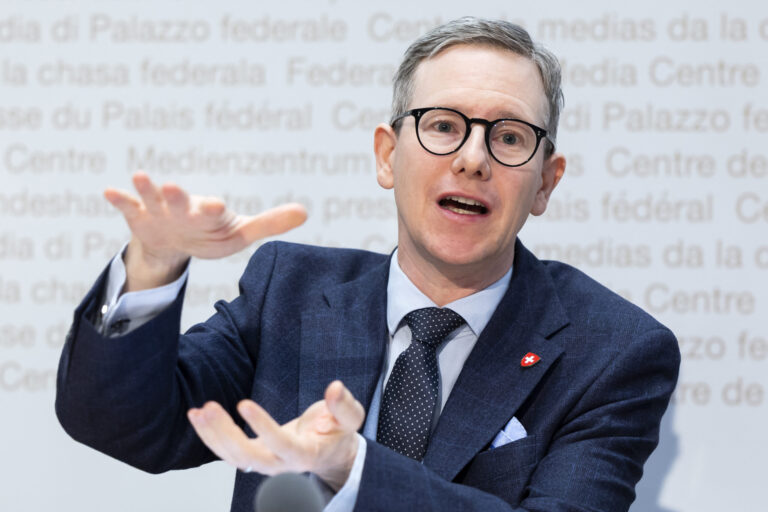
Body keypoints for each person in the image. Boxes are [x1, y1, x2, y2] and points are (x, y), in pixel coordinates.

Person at [55, 17, 679, 512]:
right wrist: (155, 262)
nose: (473, 159)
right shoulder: (289, 292)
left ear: (545, 182)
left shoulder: (614, 353)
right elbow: (119, 422)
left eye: (509, 137)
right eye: (443, 126)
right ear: (387, 156)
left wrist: (351, 468)